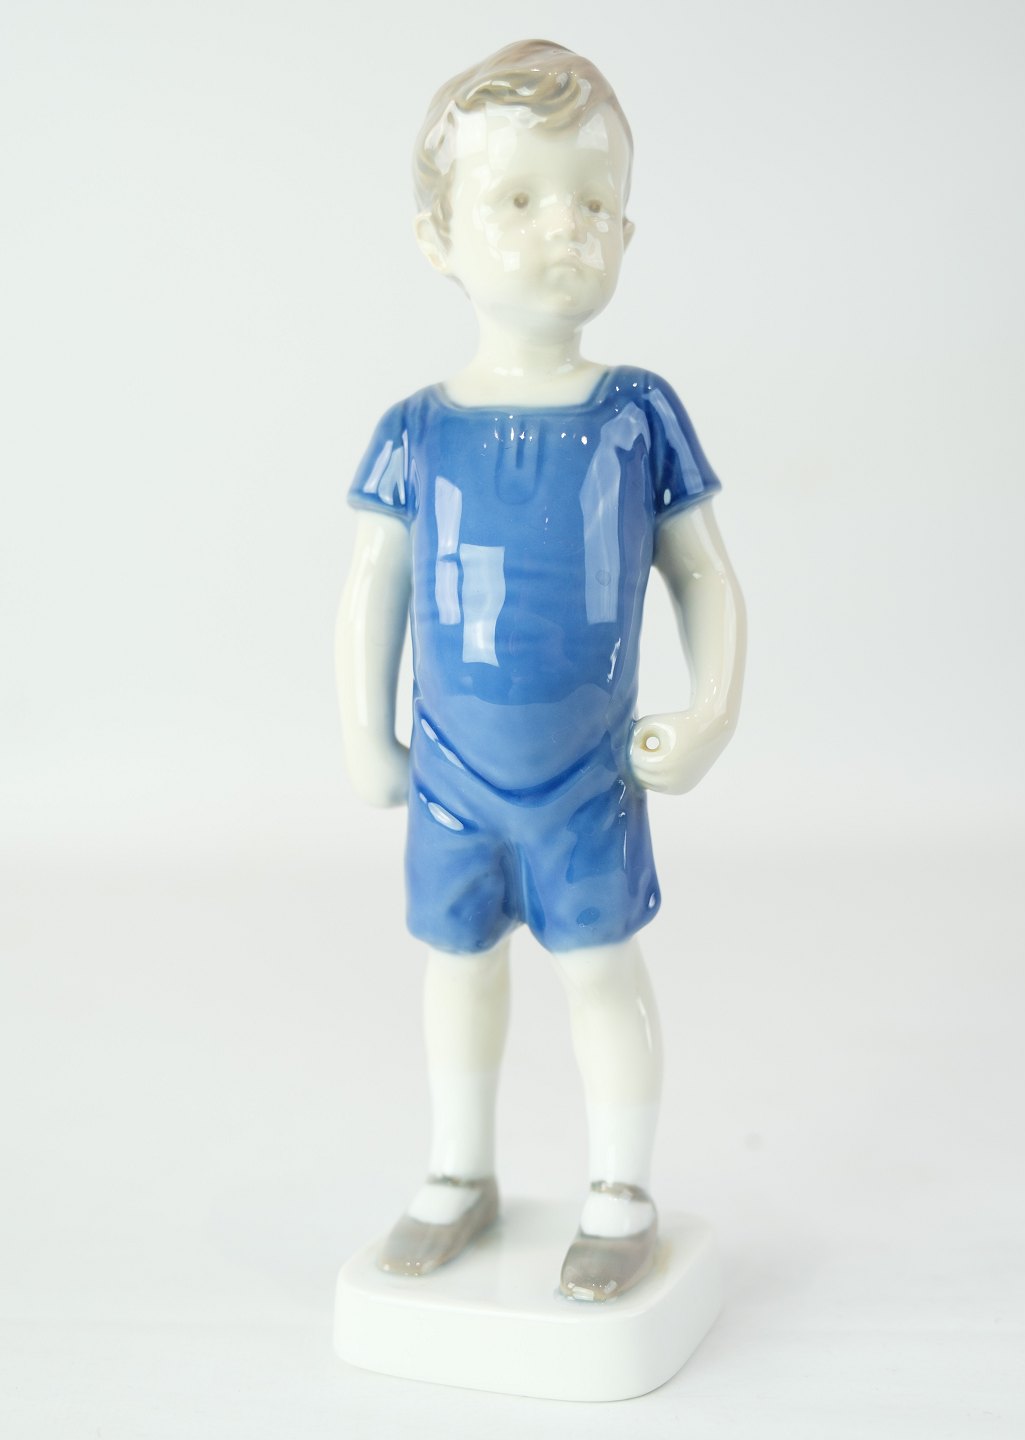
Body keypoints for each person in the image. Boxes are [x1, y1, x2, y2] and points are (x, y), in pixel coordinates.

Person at [336, 39, 746, 1302]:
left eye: (591, 202)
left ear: (626, 229)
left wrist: (710, 712)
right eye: (516, 198)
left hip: (587, 779)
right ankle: (457, 1169)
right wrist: (363, 733)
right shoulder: (414, 430)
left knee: (598, 972)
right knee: (456, 969)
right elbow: (371, 590)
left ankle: (619, 1187)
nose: (562, 227)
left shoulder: (637, 413)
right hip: (453, 774)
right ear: (437, 237)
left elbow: (703, 576)